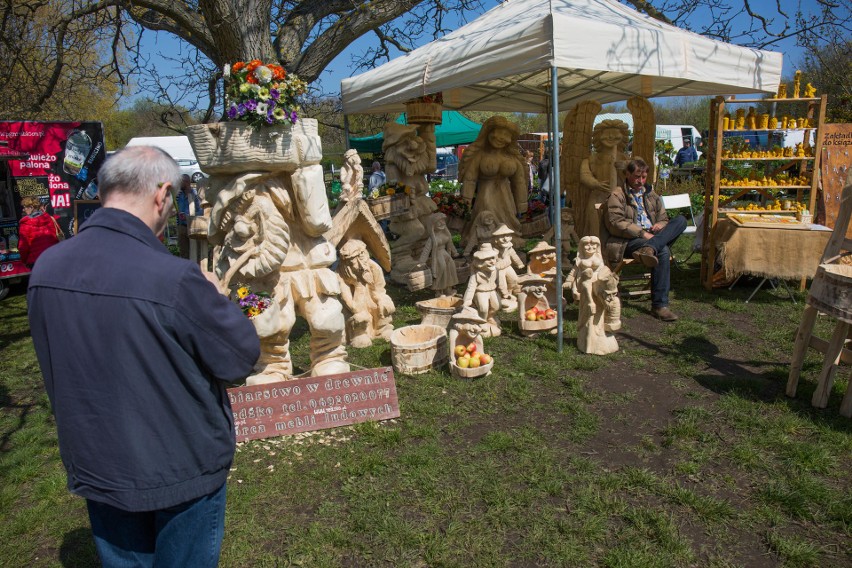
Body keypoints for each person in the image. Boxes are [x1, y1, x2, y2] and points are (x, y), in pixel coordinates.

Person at [27, 145, 261, 567]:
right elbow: (239, 358)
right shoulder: (175, 279)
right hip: (180, 467)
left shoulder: (46, 269)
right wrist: (217, 298)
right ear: (162, 195)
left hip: (98, 461)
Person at [602, 157, 687, 322]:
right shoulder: (617, 195)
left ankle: (650, 248)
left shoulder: (651, 194)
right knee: (662, 251)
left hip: (652, 237)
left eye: (643, 177)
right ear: (627, 174)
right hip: (627, 240)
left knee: (681, 220)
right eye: (636, 177)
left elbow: (663, 217)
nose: (640, 181)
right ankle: (660, 306)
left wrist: (661, 224)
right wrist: (642, 233)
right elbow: (615, 222)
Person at [459, 116, 528, 238]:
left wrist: (522, 203)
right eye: (498, 133)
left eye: (506, 135)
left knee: (508, 225)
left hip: (506, 199)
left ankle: (506, 242)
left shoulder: (513, 157)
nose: (501, 138)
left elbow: (519, 182)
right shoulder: (479, 155)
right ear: (488, 132)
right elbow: (470, 180)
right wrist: (465, 202)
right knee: (485, 221)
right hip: (485, 196)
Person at [18, 196, 60, 267]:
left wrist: (24, 261)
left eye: (25, 207)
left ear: (31, 207)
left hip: (36, 262)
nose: (23, 210)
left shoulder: (25, 225)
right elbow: (56, 235)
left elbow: (23, 247)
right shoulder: (49, 219)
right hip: (54, 257)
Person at [176, 173, 202, 258]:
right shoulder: (179, 195)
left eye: (181, 182)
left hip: (193, 226)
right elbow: (177, 208)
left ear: (186, 182)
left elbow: (202, 210)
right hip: (181, 226)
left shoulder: (195, 195)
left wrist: (189, 216)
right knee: (183, 252)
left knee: (195, 251)